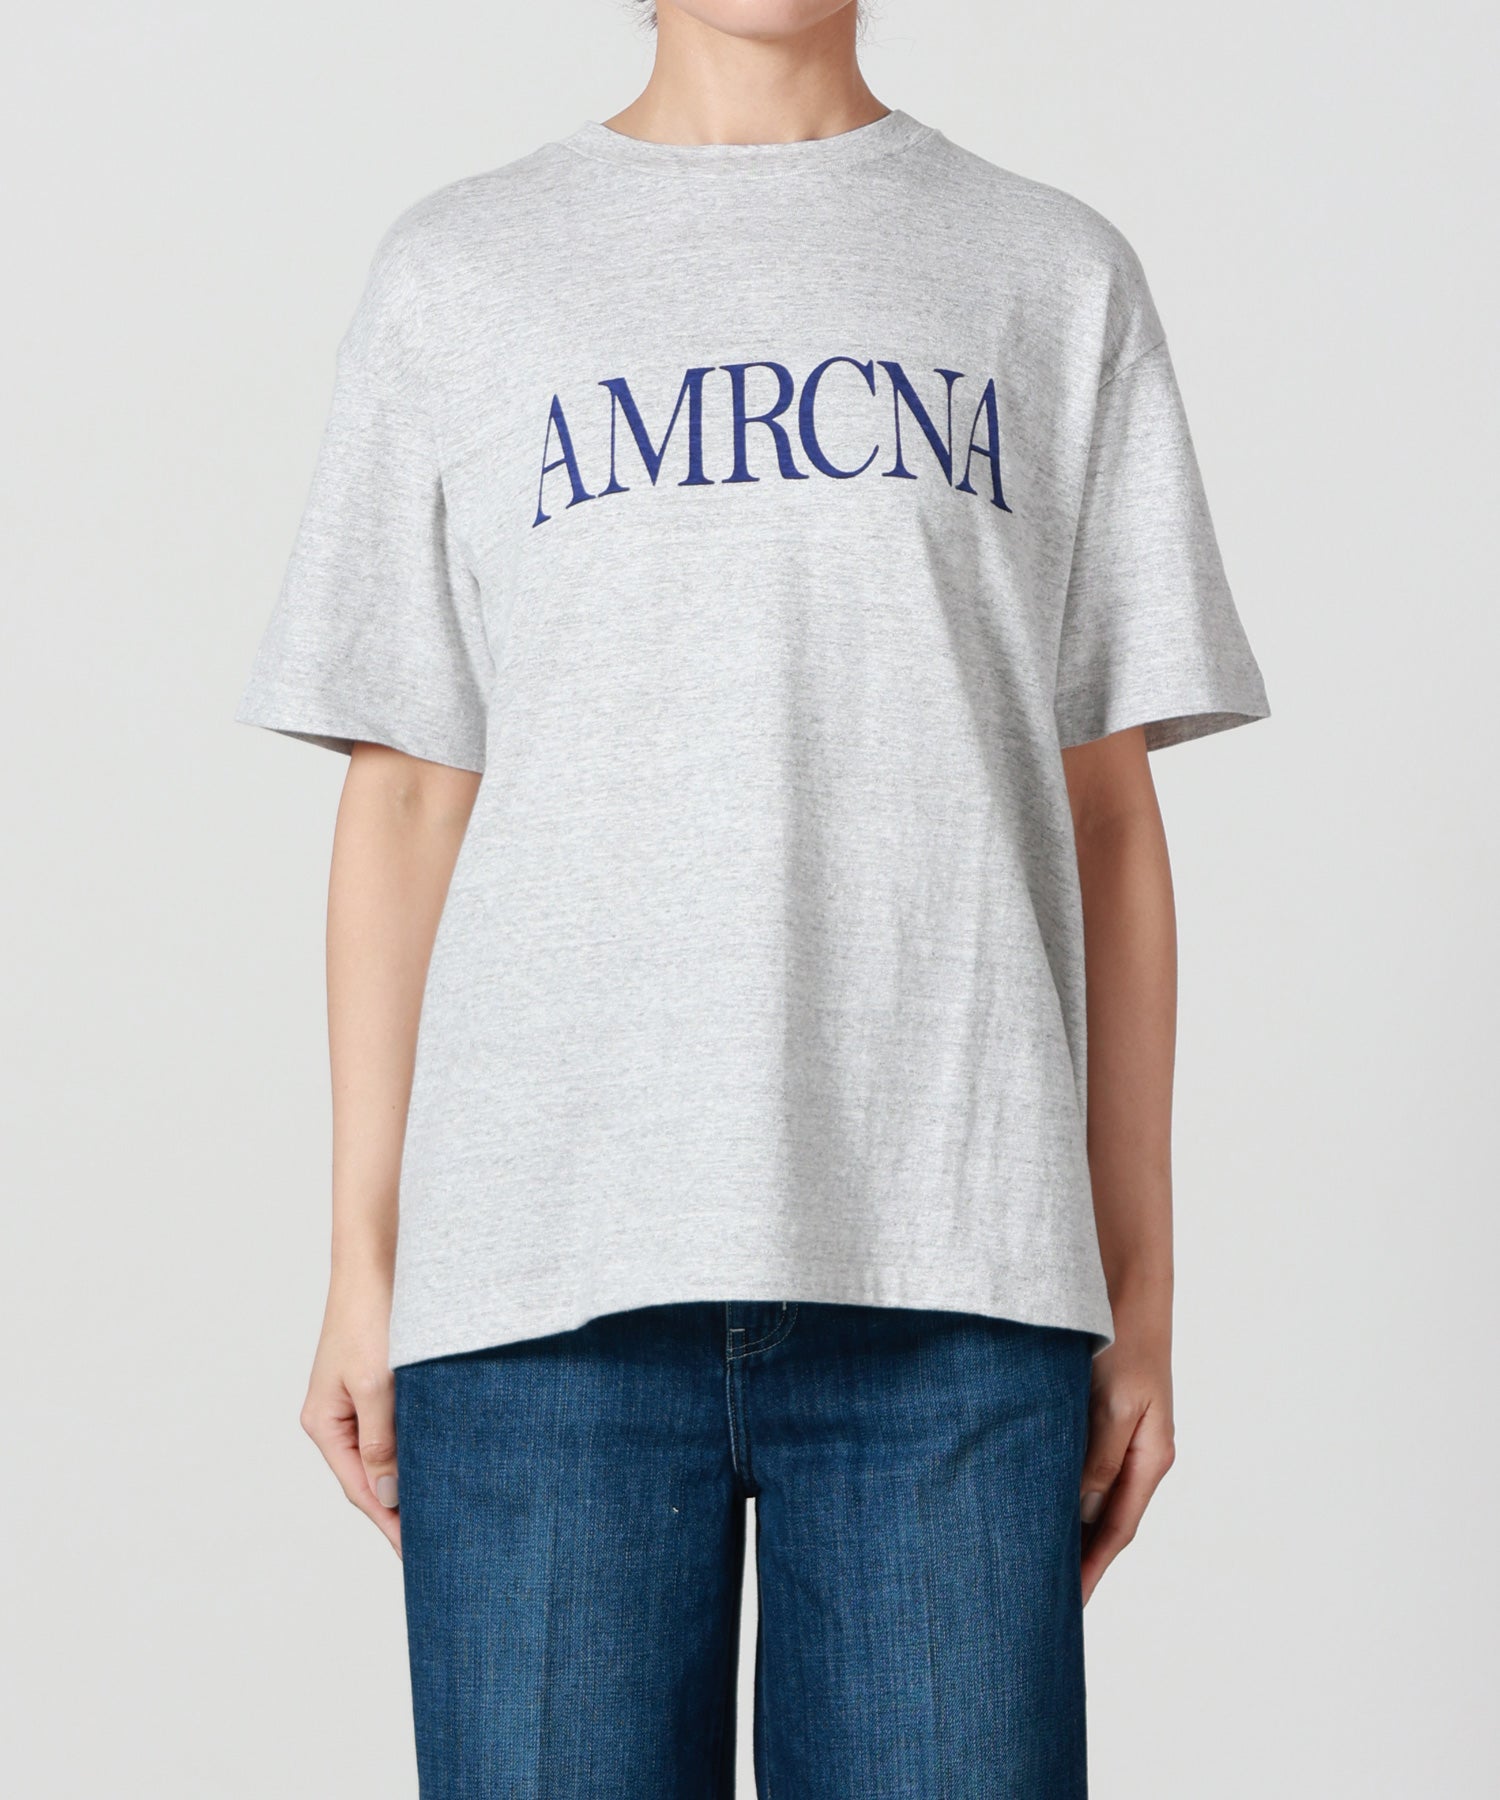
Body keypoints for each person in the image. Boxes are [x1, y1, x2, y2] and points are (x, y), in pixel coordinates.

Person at [237, 1, 1269, 1792]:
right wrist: (363, 1262)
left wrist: (1141, 1288)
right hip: (539, 1289)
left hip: (956, 1279)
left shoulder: (1049, 272)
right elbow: (403, 794)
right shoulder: (462, 272)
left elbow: (1107, 809)